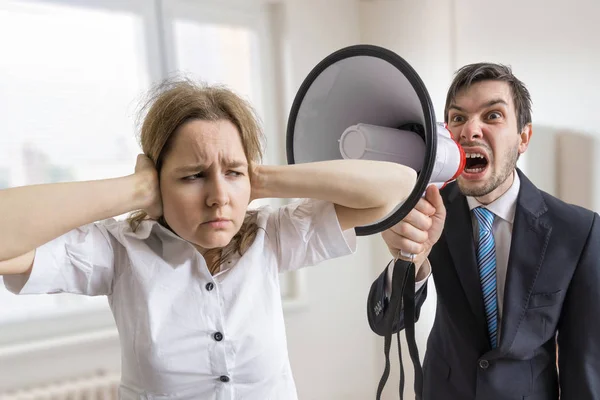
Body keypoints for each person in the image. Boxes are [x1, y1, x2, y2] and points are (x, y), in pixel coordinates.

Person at [0, 78, 419, 400]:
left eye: (232, 174)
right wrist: (136, 190)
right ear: (158, 180)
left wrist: (259, 178)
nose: (219, 198)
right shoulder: (117, 251)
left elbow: (398, 184)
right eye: (193, 175)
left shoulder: (270, 236)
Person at [367, 63, 600, 399]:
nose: (470, 130)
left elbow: (585, 365)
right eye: (458, 118)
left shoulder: (578, 230)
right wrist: (410, 263)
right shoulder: (429, 211)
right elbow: (385, 322)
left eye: (492, 116)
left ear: (523, 138)